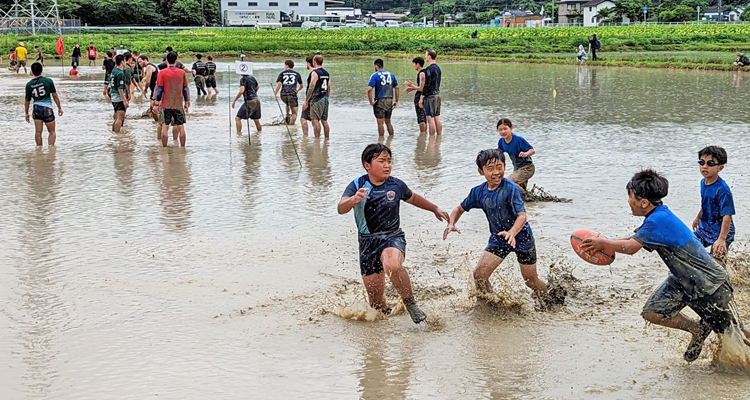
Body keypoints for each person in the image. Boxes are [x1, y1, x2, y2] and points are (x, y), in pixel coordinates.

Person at [582, 169, 750, 362]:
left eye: (630, 197)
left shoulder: (657, 221)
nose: (628, 202)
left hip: (710, 286)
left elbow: (630, 248)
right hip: (683, 281)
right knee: (652, 312)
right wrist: (606, 242)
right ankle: (697, 328)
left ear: (643, 203)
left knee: (737, 334)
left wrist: (603, 244)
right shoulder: (658, 215)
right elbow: (632, 238)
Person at [337, 143, 449, 323]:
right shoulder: (358, 185)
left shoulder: (396, 184)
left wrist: (434, 208)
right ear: (367, 165)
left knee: (392, 265)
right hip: (367, 242)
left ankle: (410, 303)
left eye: (389, 161)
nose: (387, 165)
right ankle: (386, 333)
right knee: (377, 307)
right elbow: (341, 208)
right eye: (381, 161)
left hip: (392, 236)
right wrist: (353, 199)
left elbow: (413, 198)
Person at [443, 149, 551, 307]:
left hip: (521, 238)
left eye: (499, 167)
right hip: (499, 238)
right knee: (479, 275)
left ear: (505, 166)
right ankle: (492, 304)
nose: (496, 172)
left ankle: (549, 298)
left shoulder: (511, 188)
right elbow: (459, 209)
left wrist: (512, 232)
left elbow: (522, 216)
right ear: (481, 171)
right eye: (490, 168)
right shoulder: (478, 192)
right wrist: (452, 223)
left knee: (530, 281)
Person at [692, 146, 735, 259]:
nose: (704, 166)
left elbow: (727, 215)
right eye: (702, 162)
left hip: (723, 231)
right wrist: (698, 218)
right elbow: (706, 203)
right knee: (688, 247)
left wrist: (722, 239)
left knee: (717, 262)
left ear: (720, 168)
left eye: (710, 163)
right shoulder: (703, 182)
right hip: (707, 227)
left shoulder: (723, 190)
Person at [153, 51, 190, 147]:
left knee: (165, 126)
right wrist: (187, 101)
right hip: (178, 104)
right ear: (176, 60)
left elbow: (160, 89)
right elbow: (185, 88)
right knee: (181, 126)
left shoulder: (162, 73)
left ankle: (164, 149)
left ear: (166, 61)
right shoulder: (182, 72)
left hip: (166, 104)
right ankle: (182, 149)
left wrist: (156, 103)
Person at [24, 62, 63, 146]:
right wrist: (59, 108)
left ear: (32, 71)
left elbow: (27, 101)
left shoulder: (29, 85)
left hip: (36, 108)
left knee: (38, 132)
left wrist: (26, 113)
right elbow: (55, 96)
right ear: (41, 70)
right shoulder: (48, 81)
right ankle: (51, 150)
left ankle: (39, 151)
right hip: (47, 108)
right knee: (52, 132)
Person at [496, 118, 535, 192]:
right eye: (500, 130)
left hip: (527, 168)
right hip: (517, 169)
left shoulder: (518, 140)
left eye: (505, 129)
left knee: (507, 181)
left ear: (511, 128)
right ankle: (529, 201)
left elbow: (532, 150)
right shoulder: (501, 141)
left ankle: (528, 197)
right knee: (520, 190)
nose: (503, 131)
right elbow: (498, 154)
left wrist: (525, 153)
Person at [367, 59, 399, 137]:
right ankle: (391, 138)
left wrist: (371, 101)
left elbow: (369, 89)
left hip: (380, 100)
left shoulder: (375, 75)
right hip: (389, 99)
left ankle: (381, 140)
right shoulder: (391, 75)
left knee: (380, 123)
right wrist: (397, 101)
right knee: (388, 122)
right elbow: (397, 87)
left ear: (376, 66)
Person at [302, 55, 331, 139]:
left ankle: (317, 139)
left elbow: (312, 86)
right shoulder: (327, 73)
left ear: (314, 62)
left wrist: (307, 99)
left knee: (315, 120)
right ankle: (327, 139)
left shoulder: (315, 73)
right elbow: (329, 87)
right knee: (324, 121)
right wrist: (327, 97)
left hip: (316, 98)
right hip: (325, 97)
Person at [417, 49, 442, 135]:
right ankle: (439, 138)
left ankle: (431, 140)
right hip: (437, 94)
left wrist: (421, 97)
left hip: (430, 96)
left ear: (429, 57)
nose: (425, 57)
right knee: (437, 118)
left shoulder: (428, 69)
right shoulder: (438, 68)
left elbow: (426, 85)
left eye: (426, 55)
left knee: (430, 119)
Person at [274, 60, 303, 124]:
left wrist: (275, 93)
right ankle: (291, 127)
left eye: (284, 65)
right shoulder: (297, 74)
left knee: (287, 104)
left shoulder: (282, 73)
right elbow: (301, 85)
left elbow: (279, 84)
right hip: (292, 94)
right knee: (295, 113)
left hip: (283, 95)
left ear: (287, 65)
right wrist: (297, 90)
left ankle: (287, 115)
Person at [404, 56, 427, 134]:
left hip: (420, 97)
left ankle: (422, 134)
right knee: (424, 117)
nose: (413, 65)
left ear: (418, 64)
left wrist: (411, 85)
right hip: (424, 96)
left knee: (421, 118)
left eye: (414, 64)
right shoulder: (426, 72)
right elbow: (423, 87)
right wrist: (412, 88)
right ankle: (424, 136)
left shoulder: (421, 73)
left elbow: (421, 88)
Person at [109, 54, 128, 134]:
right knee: (120, 117)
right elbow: (120, 89)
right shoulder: (120, 73)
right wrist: (124, 100)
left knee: (117, 117)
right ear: (122, 61)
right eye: (125, 61)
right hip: (119, 98)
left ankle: (113, 133)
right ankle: (117, 136)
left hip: (113, 97)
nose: (125, 63)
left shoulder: (114, 71)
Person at [138, 55, 160, 122]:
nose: (139, 64)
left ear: (145, 60)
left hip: (156, 89)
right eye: (138, 62)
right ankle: (158, 122)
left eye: (140, 62)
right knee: (153, 108)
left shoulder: (149, 67)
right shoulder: (150, 66)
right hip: (154, 89)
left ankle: (160, 122)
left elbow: (148, 81)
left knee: (153, 108)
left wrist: (145, 90)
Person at [300, 56, 314, 136]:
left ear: (308, 63)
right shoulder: (322, 72)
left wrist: (306, 100)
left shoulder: (313, 73)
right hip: (321, 98)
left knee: (303, 118)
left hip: (311, 99)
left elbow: (312, 86)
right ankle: (323, 140)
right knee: (318, 120)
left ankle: (305, 137)